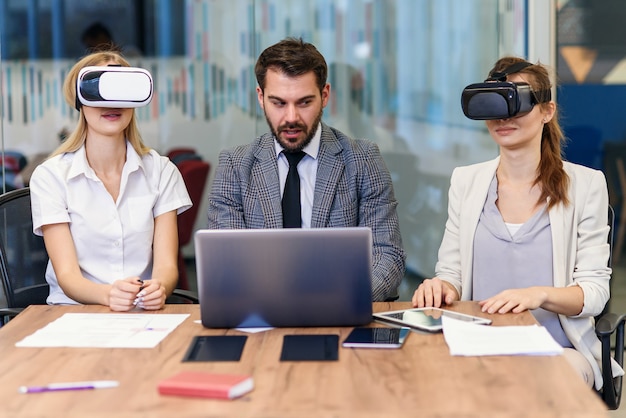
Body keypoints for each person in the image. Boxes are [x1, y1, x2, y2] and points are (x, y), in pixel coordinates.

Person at [412, 56, 623, 389]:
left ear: (547, 111)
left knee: (531, 388)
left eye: (517, 102)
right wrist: (441, 287)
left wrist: (538, 295)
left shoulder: (586, 185)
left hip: (558, 350)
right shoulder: (466, 182)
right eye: (494, 104)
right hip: (478, 345)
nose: (503, 117)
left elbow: (594, 293)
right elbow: (451, 274)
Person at [207, 37, 405, 301]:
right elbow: (225, 263)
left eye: (304, 102)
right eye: (278, 103)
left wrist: (344, 299)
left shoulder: (362, 160)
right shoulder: (235, 166)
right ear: (260, 97)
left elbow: (387, 254)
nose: (291, 118)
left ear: (324, 96)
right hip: (263, 316)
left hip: (342, 311)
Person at [30, 51, 192, 311]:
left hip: (142, 315)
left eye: (121, 90)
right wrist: (107, 295)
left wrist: (159, 286)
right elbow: (68, 276)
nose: (112, 103)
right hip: (72, 314)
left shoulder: (161, 171)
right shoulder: (51, 177)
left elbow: (166, 267)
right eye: (98, 90)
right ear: (80, 102)